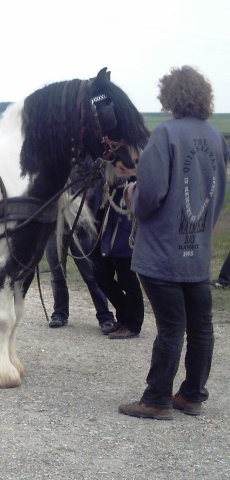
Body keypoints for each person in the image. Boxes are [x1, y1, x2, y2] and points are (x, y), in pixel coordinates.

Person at [118, 66, 228, 420]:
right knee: (200, 326)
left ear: (170, 96)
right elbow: (218, 194)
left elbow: (149, 194)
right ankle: (192, 395)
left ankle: (156, 400)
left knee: (171, 327)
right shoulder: (216, 138)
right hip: (197, 250)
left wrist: (132, 194)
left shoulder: (164, 135)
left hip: (162, 251)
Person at [92, 174, 145, 339]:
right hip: (107, 224)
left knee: (128, 279)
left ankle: (133, 324)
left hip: (124, 225)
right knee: (101, 275)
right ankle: (124, 316)